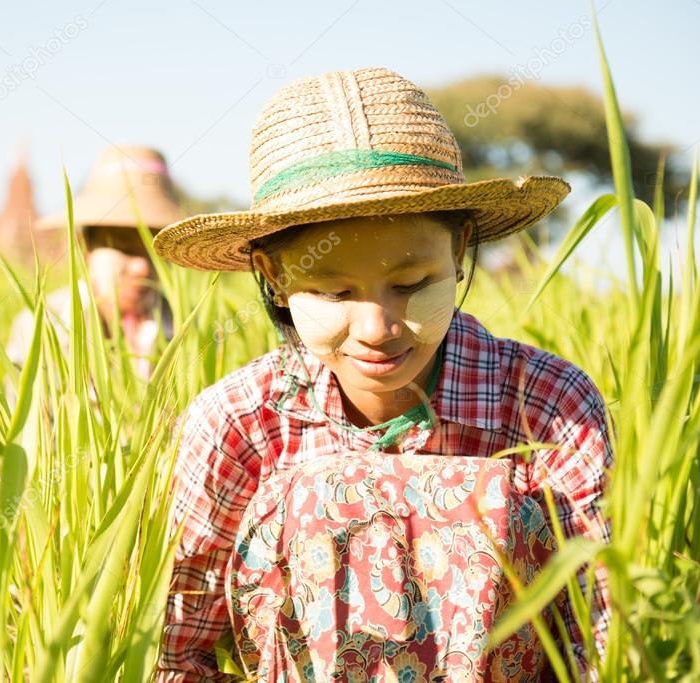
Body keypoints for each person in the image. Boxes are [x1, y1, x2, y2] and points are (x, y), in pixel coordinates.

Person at [151, 67, 613, 682]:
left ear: (459, 249)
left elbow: (605, 636)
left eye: (411, 285)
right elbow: (177, 649)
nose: (377, 327)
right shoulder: (239, 424)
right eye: (334, 290)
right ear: (274, 276)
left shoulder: (549, 404)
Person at [5, 145, 183, 384]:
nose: (142, 267)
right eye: (124, 247)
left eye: (156, 250)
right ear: (85, 247)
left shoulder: (189, 329)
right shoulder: (39, 327)